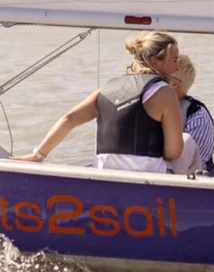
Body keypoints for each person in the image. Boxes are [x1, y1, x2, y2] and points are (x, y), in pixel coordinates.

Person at [15, 31, 184, 172]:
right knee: (188, 141)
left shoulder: (105, 90)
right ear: (155, 61)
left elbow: (69, 119)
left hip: (105, 173)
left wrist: (37, 156)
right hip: (147, 175)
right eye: (175, 60)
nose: (177, 68)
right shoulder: (164, 93)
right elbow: (173, 152)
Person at [165, 53, 214, 177]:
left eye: (157, 78)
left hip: (192, 176)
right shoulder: (150, 106)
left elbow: (193, 163)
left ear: (173, 84)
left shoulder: (197, 117)